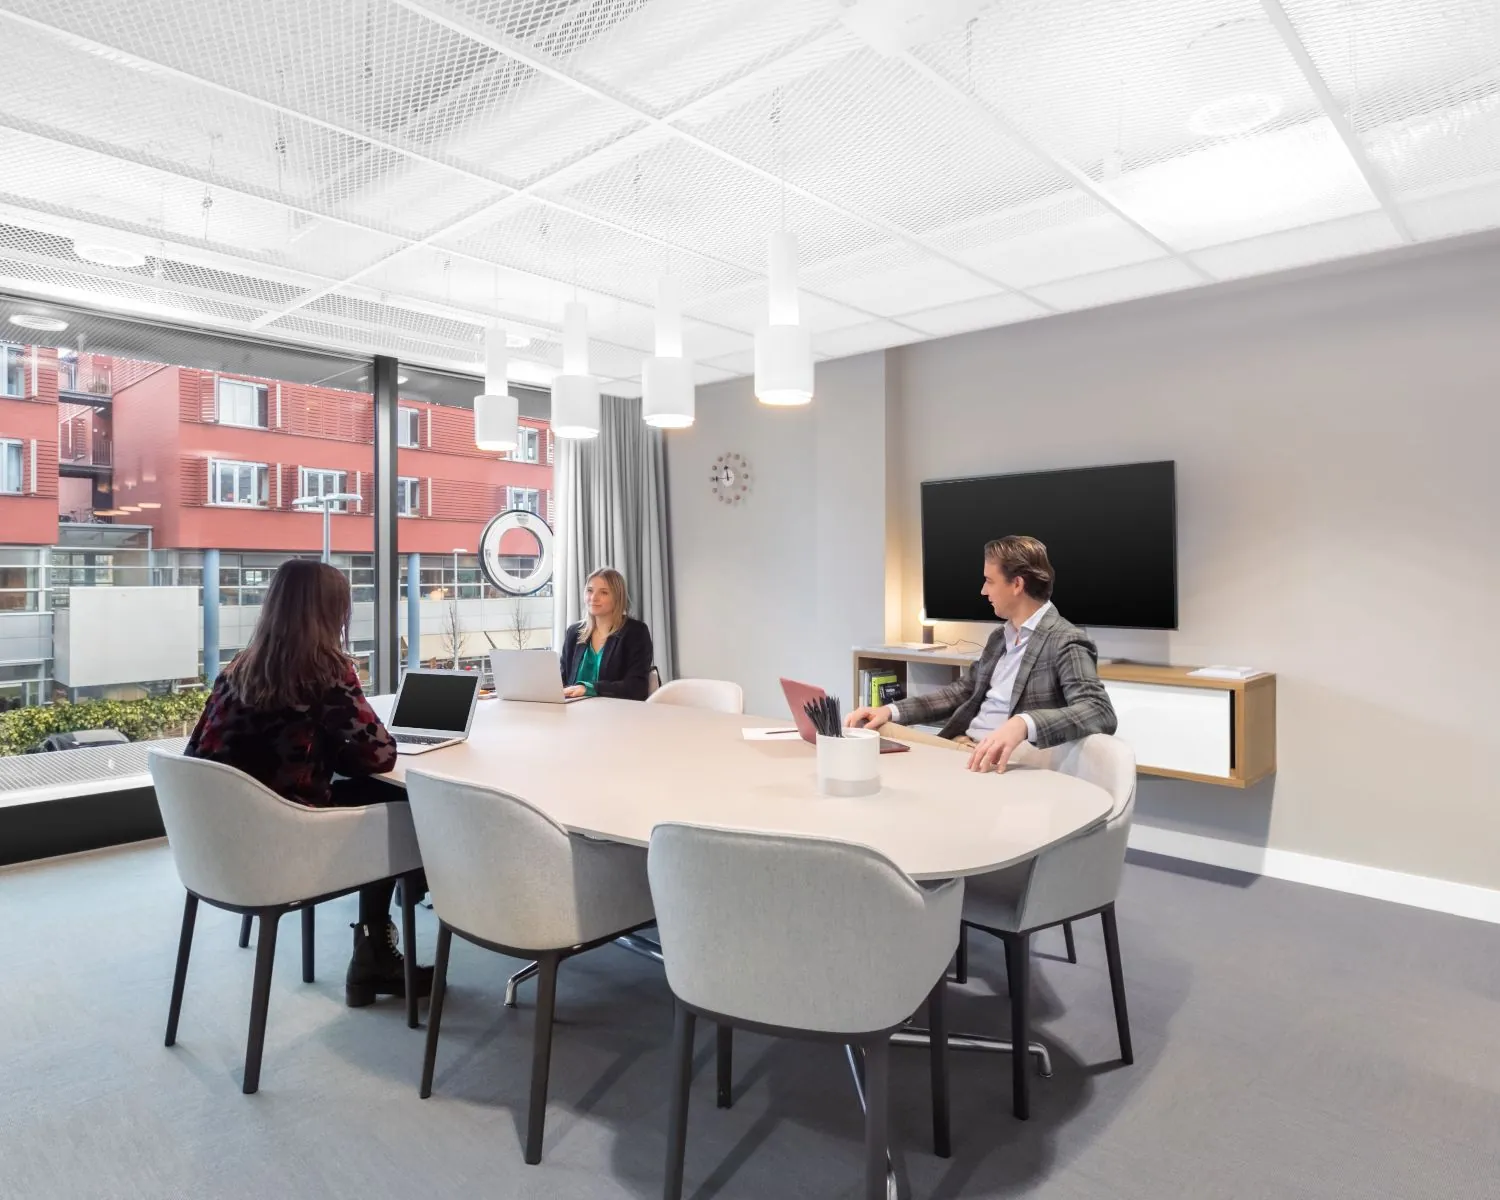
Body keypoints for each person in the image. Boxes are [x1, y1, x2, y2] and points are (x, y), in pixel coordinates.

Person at [184, 558, 431, 1008]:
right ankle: (381, 941)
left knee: (376, 797)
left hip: (220, 843)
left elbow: (195, 754)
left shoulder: (239, 667)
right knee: (408, 802)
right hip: (285, 839)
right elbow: (379, 756)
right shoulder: (326, 670)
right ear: (329, 610)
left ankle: (394, 915)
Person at [847, 535, 1116, 772]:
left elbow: (1099, 711)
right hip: (962, 744)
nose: (983, 591)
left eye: (989, 581)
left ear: (1017, 584)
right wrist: (890, 710)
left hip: (994, 761)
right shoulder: (1001, 637)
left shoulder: (1065, 640)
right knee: (874, 726)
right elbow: (962, 691)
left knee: (868, 735)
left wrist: (1023, 723)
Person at [558, 567, 654, 700]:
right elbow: (562, 680)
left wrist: (589, 689)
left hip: (616, 713)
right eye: (590, 591)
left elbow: (636, 687)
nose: (593, 598)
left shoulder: (636, 632)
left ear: (617, 597)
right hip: (573, 712)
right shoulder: (574, 632)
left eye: (603, 593)